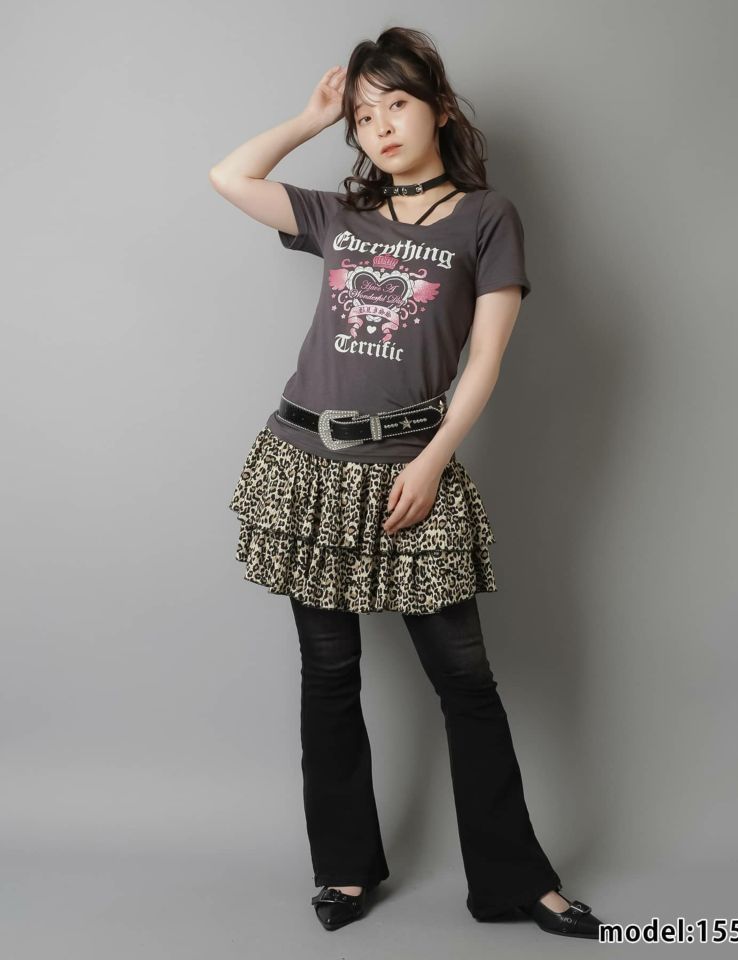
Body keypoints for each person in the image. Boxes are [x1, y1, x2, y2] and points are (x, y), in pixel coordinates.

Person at [210, 26, 604, 939]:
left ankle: (514, 881)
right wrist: (309, 118)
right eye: (363, 115)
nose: (380, 126)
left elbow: (485, 359)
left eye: (396, 103)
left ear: (440, 109)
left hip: (409, 466)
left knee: (465, 679)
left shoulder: (487, 218)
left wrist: (431, 460)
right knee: (328, 674)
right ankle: (344, 870)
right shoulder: (340, 217)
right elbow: (229, 176)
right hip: (306, 464)